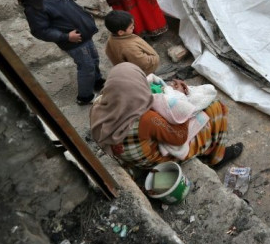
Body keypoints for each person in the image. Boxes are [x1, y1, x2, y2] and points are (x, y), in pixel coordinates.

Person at [89, 63, 244, 169]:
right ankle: (217, 157)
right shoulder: (146, 119)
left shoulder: (100, 105)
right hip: (151, 160)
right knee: (215, 108)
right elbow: (180, 137)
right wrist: (179, 97)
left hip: (127, 152)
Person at [17, 0, 104, 105]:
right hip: (73, 40)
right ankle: (85, 97)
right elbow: (40, 30)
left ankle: (97, 81)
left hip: (84, 33)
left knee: (94, 59)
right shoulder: (36, 4)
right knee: (86, 66)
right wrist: (65, 37)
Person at [104, 10, 160, 75]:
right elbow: (143, 63)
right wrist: (155, 58)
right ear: (121, 32)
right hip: (143, 73)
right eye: (131, 27)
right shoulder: (129, 48)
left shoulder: (112, 38)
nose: (133, 27)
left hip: (126, 70)